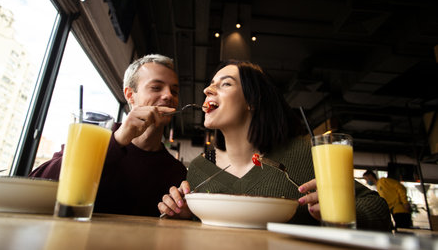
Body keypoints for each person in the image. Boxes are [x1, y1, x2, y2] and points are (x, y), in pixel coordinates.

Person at [158, 60, 392, 231]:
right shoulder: (200, 166)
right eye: (210, 85)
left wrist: (341, 210)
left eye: (225, 84)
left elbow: (379, 210)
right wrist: (185, 214)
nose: (207, 90)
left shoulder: (305, 153)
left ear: (253, 100)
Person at [30, 54, 187, 217]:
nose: (169, 96)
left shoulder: (176, 172)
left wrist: (182, 214)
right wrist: (117, 140)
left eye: (174, 91)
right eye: (156, 87)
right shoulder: (91, 136)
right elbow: (36, 185)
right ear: (130, 95)